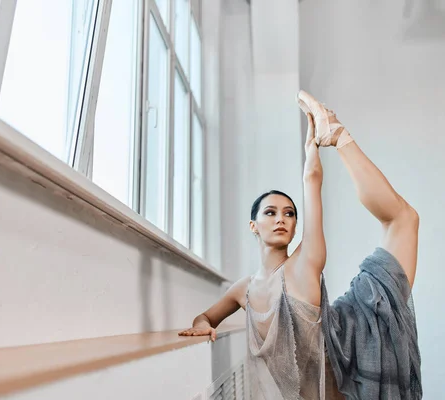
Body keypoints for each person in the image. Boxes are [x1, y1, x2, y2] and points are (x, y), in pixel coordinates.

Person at [179, 91, 422, 399]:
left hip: (354, 345)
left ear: (295, 226)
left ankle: (338, 134)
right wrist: (201, 326)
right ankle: (336, 132)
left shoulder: (305, 261)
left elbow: (312, 179)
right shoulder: (244, 290)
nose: (281, 218)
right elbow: (206, 318)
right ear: (253, 226)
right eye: (270, 212)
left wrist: (315, 148)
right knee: (403, 219)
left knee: (404, 220)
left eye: (289, 213)